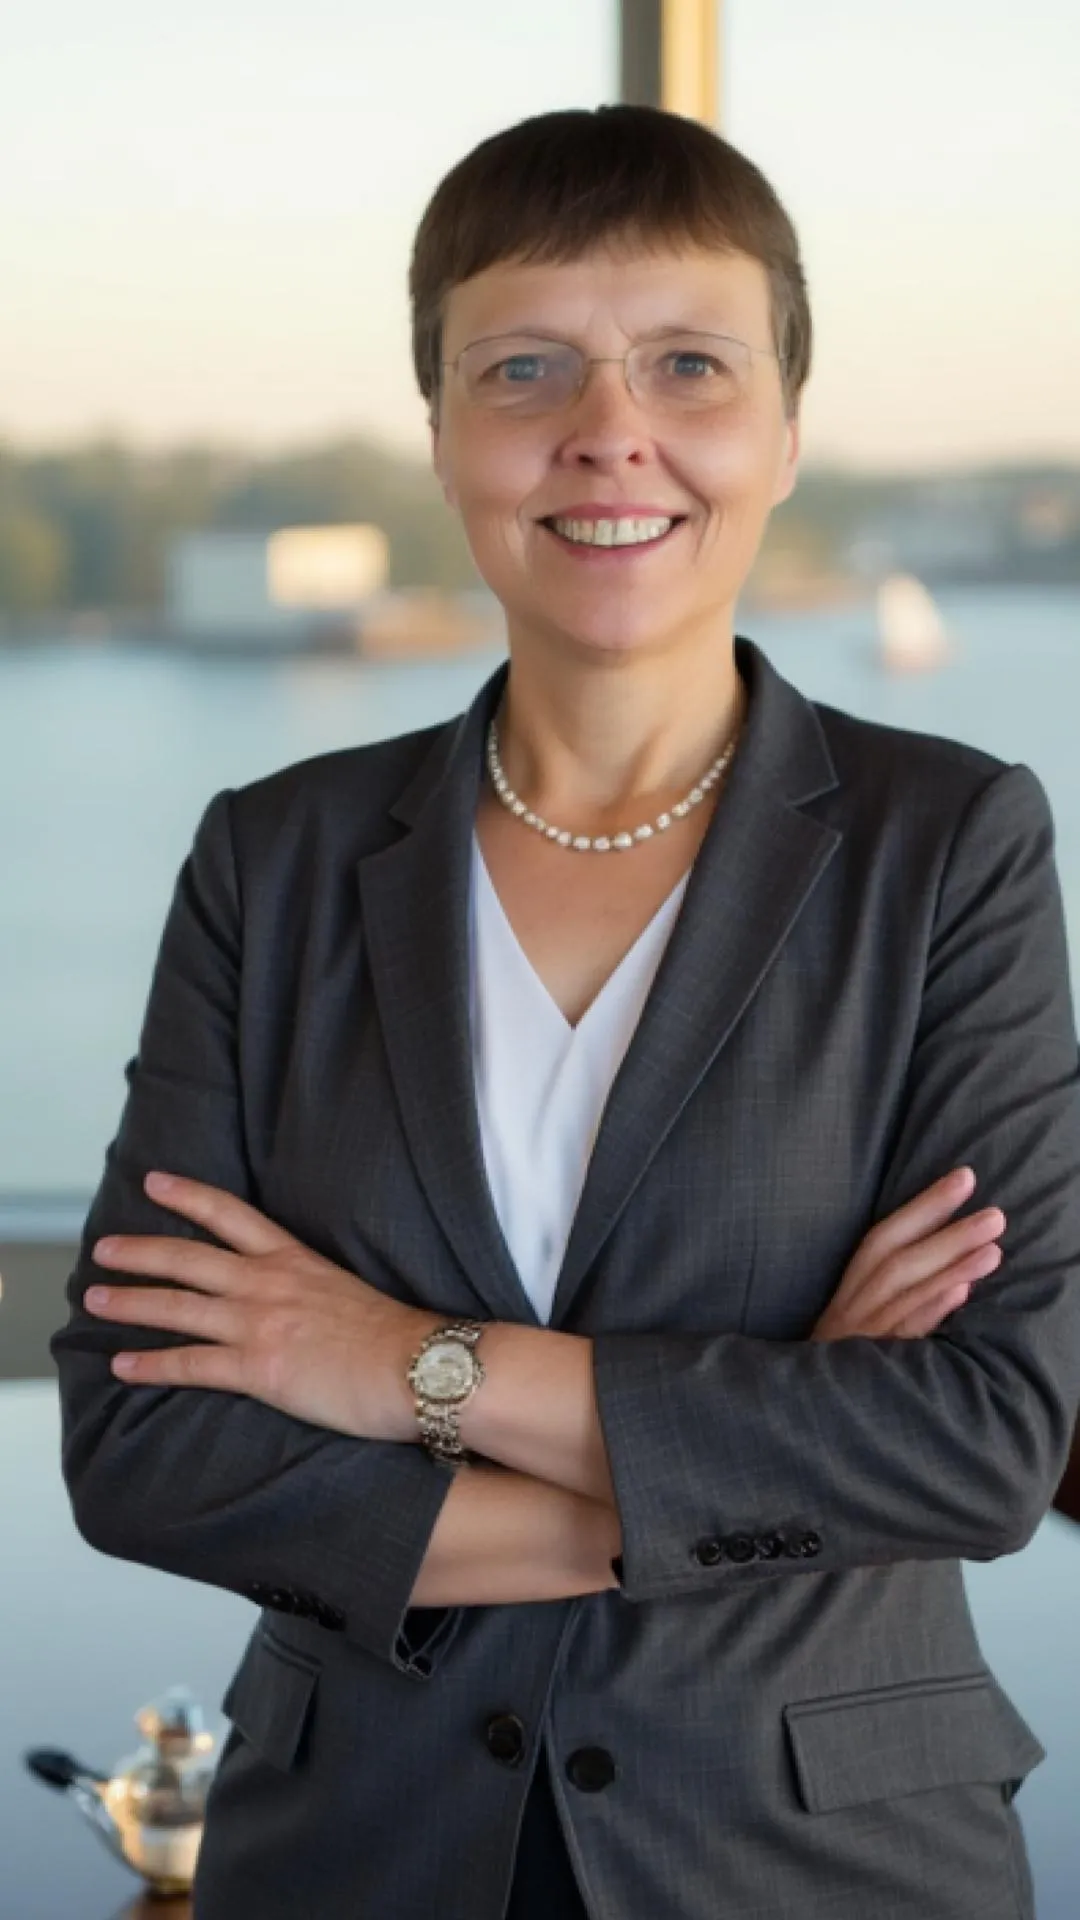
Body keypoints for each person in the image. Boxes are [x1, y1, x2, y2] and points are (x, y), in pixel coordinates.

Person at [52, 106, 1080, 1920]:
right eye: (524, 367)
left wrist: (403, 1365)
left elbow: (980, 1438)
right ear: (442, 433)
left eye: (689, 363)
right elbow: (146, 1441)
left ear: (784, 427)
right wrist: (751, 1456)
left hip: (822, 1866)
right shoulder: (273, 859)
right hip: (356, 1854)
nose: (609, 429)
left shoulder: (952, 846)